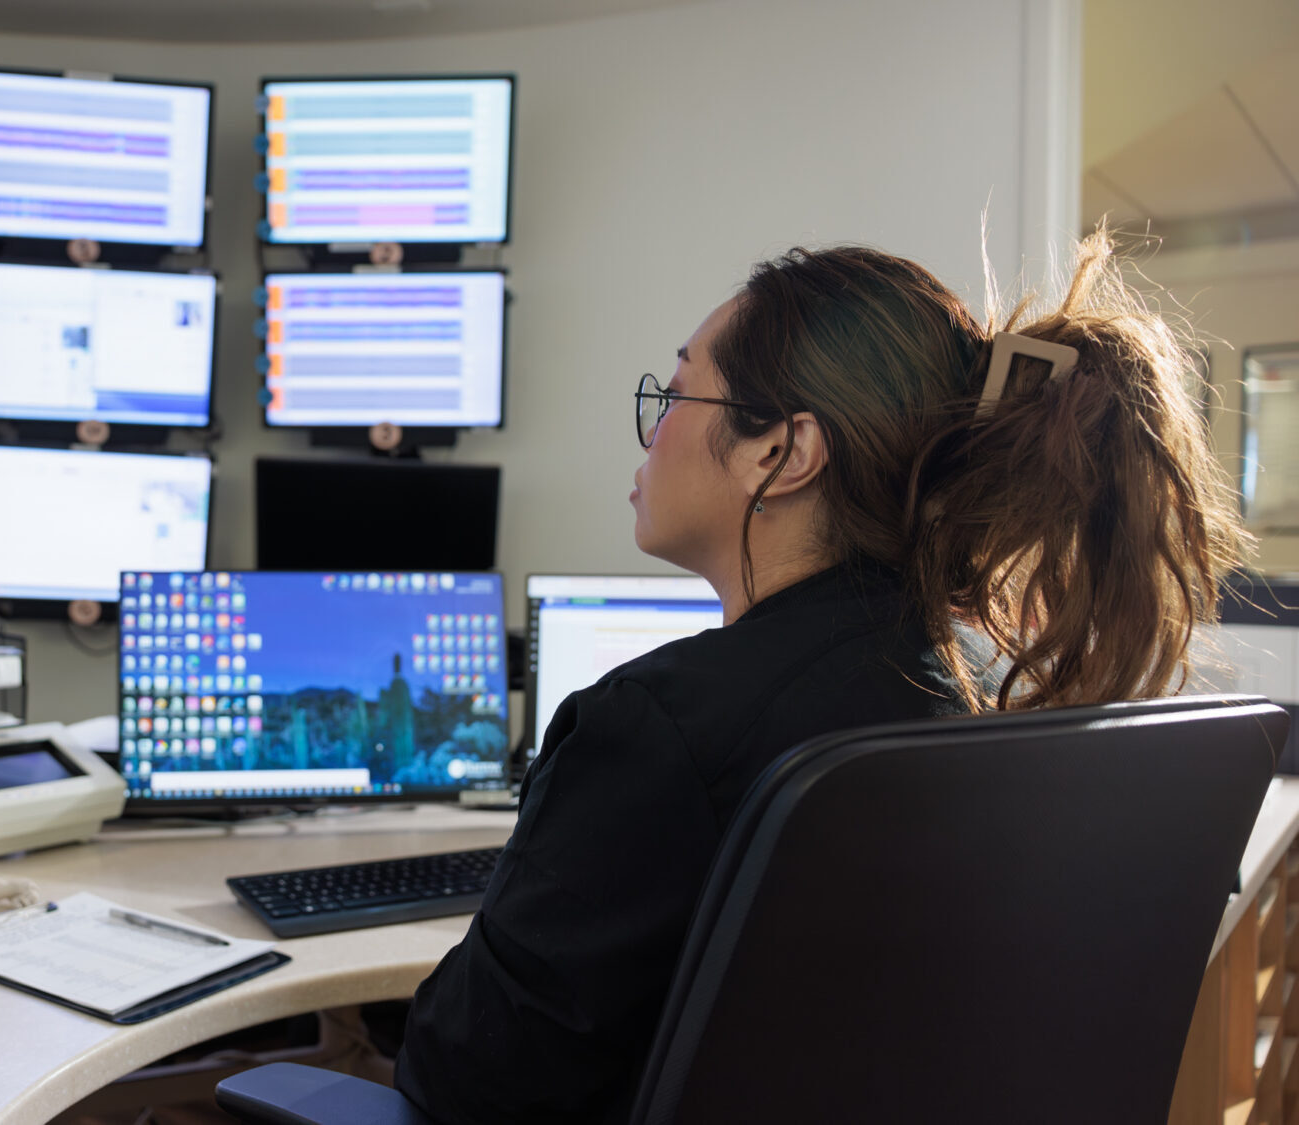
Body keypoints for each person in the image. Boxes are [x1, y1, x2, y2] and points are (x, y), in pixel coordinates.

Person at [391, 230, 1245, 1124]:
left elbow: (467, 1081)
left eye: (678, 391)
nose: (656, 425)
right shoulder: (982, 694)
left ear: (784, 453)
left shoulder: (657, 726)